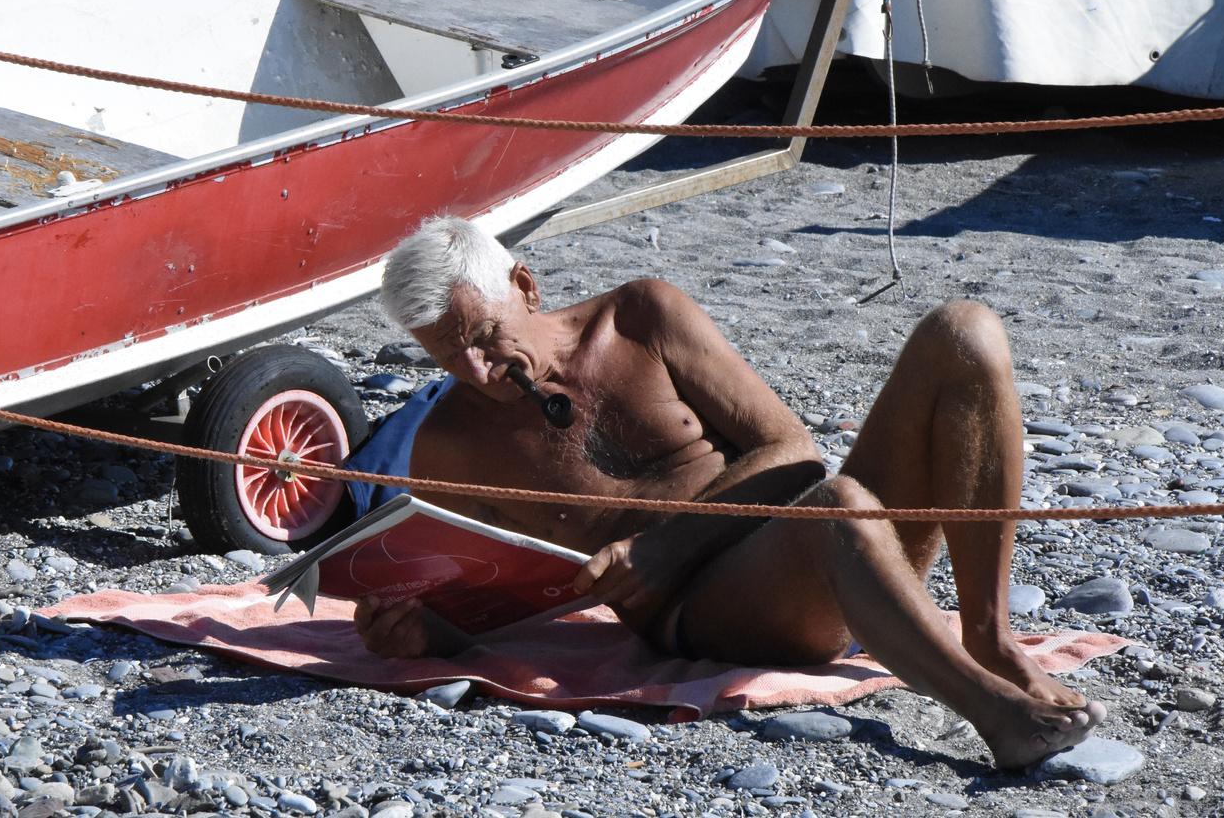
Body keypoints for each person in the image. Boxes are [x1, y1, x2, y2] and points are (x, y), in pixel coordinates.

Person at [353, 216, 1105, 769]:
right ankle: (994, 713)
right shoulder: (450, 444)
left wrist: (660, 544)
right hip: (704, 613)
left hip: (804, 536)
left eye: (483, 336)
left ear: (523, 284)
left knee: (961, 330)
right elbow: (493, 601)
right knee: (842, 508)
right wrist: (423, 635)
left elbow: (792, 452)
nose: (479, 370)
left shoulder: (641, 317)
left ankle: (988, 634)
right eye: (448, 357)